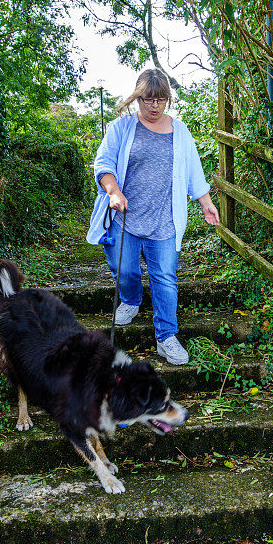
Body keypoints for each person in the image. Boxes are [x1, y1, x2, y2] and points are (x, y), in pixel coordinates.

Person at [87, 68, 220, 365]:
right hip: (125, 218)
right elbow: (104, 164)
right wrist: (113, 191)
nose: (154, 106)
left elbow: (193, 172)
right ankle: (131, 299)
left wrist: (205, 202)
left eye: (160, 100)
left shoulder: (180, 131)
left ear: (168, 100)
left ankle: (166, 337)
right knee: (126, 271)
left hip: (164, 221)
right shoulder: (121, 128)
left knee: (165, 279)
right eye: (148, 99)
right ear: (137, 98)